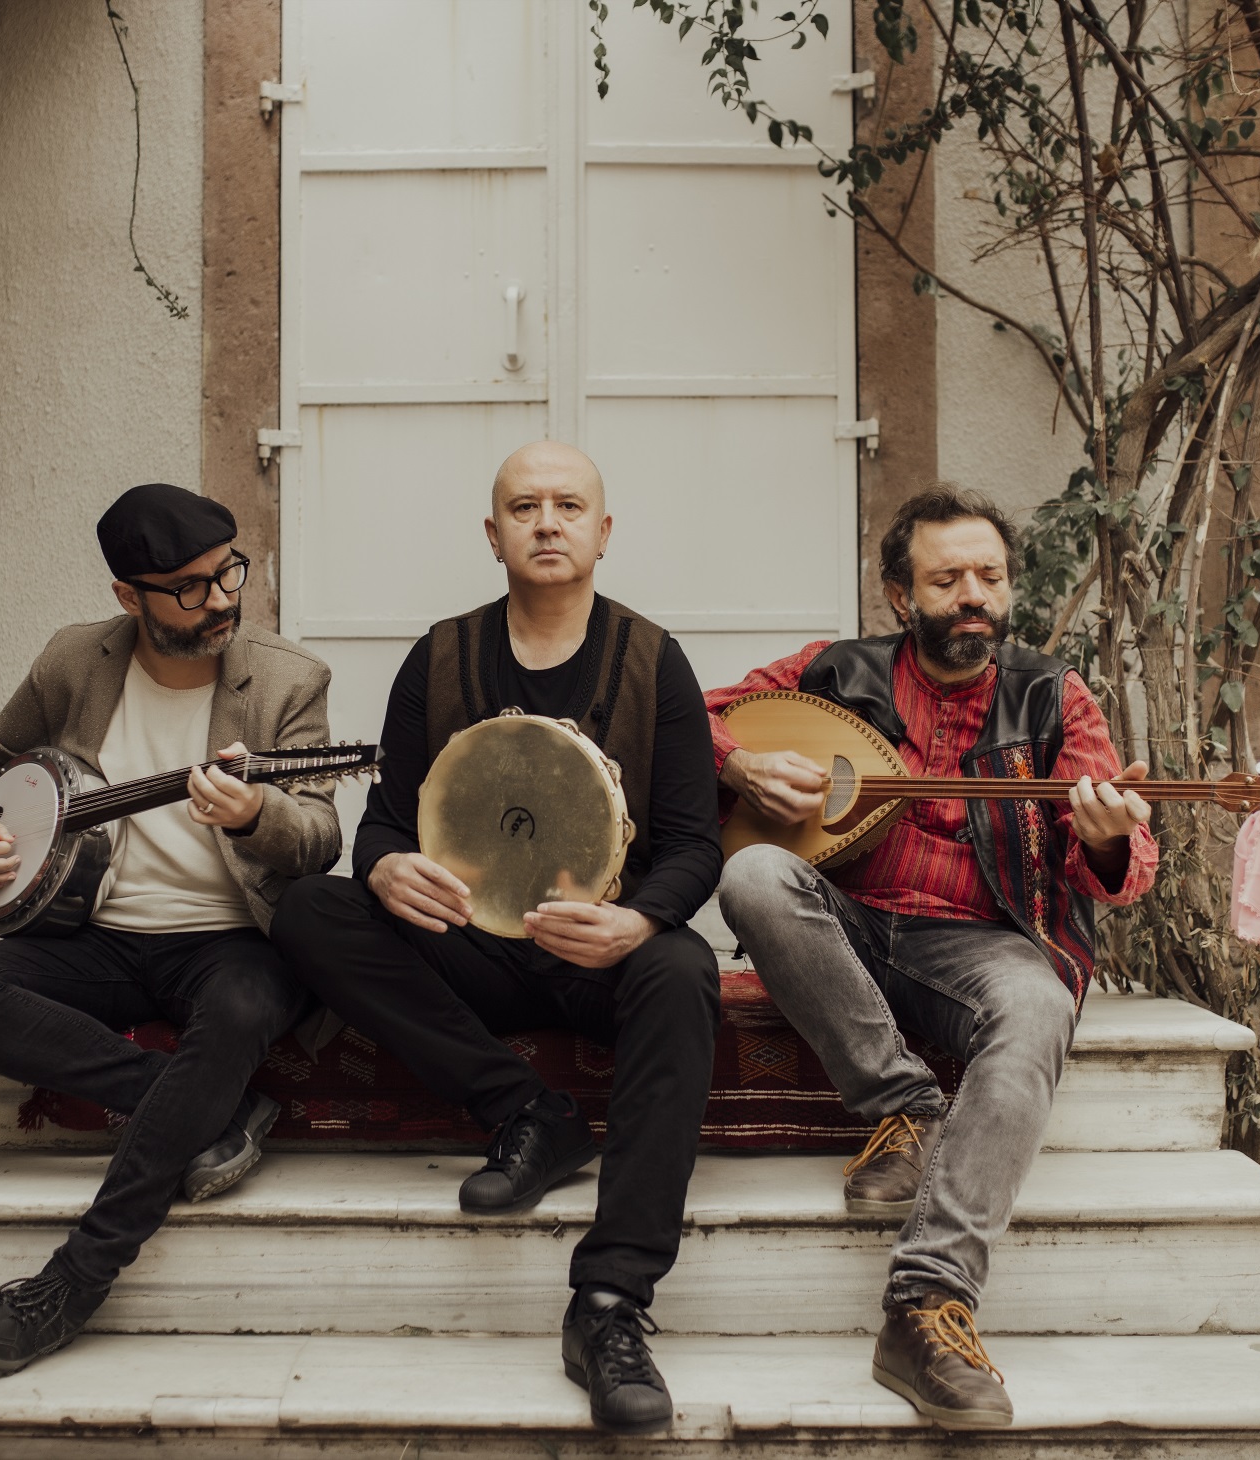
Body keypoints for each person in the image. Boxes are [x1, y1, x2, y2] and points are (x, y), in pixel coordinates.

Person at [271, 442, 722, 1435]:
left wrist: (637, 920)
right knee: (310, 909)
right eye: (523, 506)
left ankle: (609, 1300)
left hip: (595, 955)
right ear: (492, 532)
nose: (546, 522)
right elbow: (385, 823)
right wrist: (384, 866)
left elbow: (696, 844)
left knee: (683, 967)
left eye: (568, 505)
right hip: (470, 946)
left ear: (602, 531)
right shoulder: (439, 656)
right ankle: (524, 1109)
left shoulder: (653, 660)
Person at [708, 485, 1157, 1429]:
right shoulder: (832, 672)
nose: (972, 597)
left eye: (989, 577)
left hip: (979, 947)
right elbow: (687, 715)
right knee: (752, 873)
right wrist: (739, 765)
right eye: (946, 579)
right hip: (847, 928)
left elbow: (1123, 868)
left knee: (1039, 1005)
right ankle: (905, 1108)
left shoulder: (1051, 696)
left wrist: (1109, 838)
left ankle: (926, 1303)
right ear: (898, 596)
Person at [0, 483, 340, 1375]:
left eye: (228, 572)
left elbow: (318, 838)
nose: (219, 599)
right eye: (187, 588)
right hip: (99, 936)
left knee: (236, 1013)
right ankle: (213, 1105)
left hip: (231, 939)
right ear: (127, 596)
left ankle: (71, 1282)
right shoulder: (75, 660)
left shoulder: (288, 678)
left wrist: (255, 812)